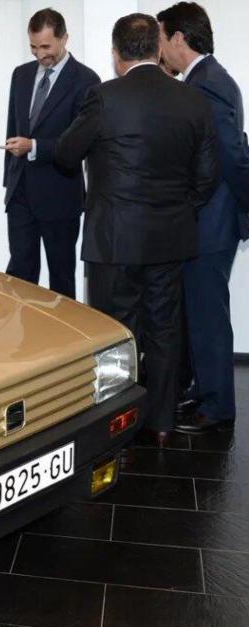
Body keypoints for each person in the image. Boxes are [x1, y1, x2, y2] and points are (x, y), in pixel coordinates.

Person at [55, 13, 218, 442]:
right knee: (165, 331)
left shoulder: (103, 97)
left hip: (114, 241)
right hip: (170, 238)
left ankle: (118, 427)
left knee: (116, 336)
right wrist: (176, 210)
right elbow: (207, 177)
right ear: (158, 49)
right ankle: (162, 424)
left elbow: (66, 154)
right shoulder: (192, 100)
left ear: (116, 54)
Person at [158, 2, 249, 434]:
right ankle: (205, 390)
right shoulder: (208, 79)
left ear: (179, 39)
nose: (159, 49)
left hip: (211, 222)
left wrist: (243, 210)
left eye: (160, 39)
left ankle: (217, 408)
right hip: (210, 220)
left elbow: (232, 157)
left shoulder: (207, 84)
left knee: (209, 314)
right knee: (199, 310)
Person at [2, 8, 100, 299]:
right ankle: (23, 343)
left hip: (60, 194)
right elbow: (13, 127)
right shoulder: (20, 75)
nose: (39, 54)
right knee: (19, 274)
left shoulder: (86, 80)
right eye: (33, 47)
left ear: (64, 38)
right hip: (20, 193)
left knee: (61, 278)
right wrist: (8, 183)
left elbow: (80, 142)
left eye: (45, 46)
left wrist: (35, 147)